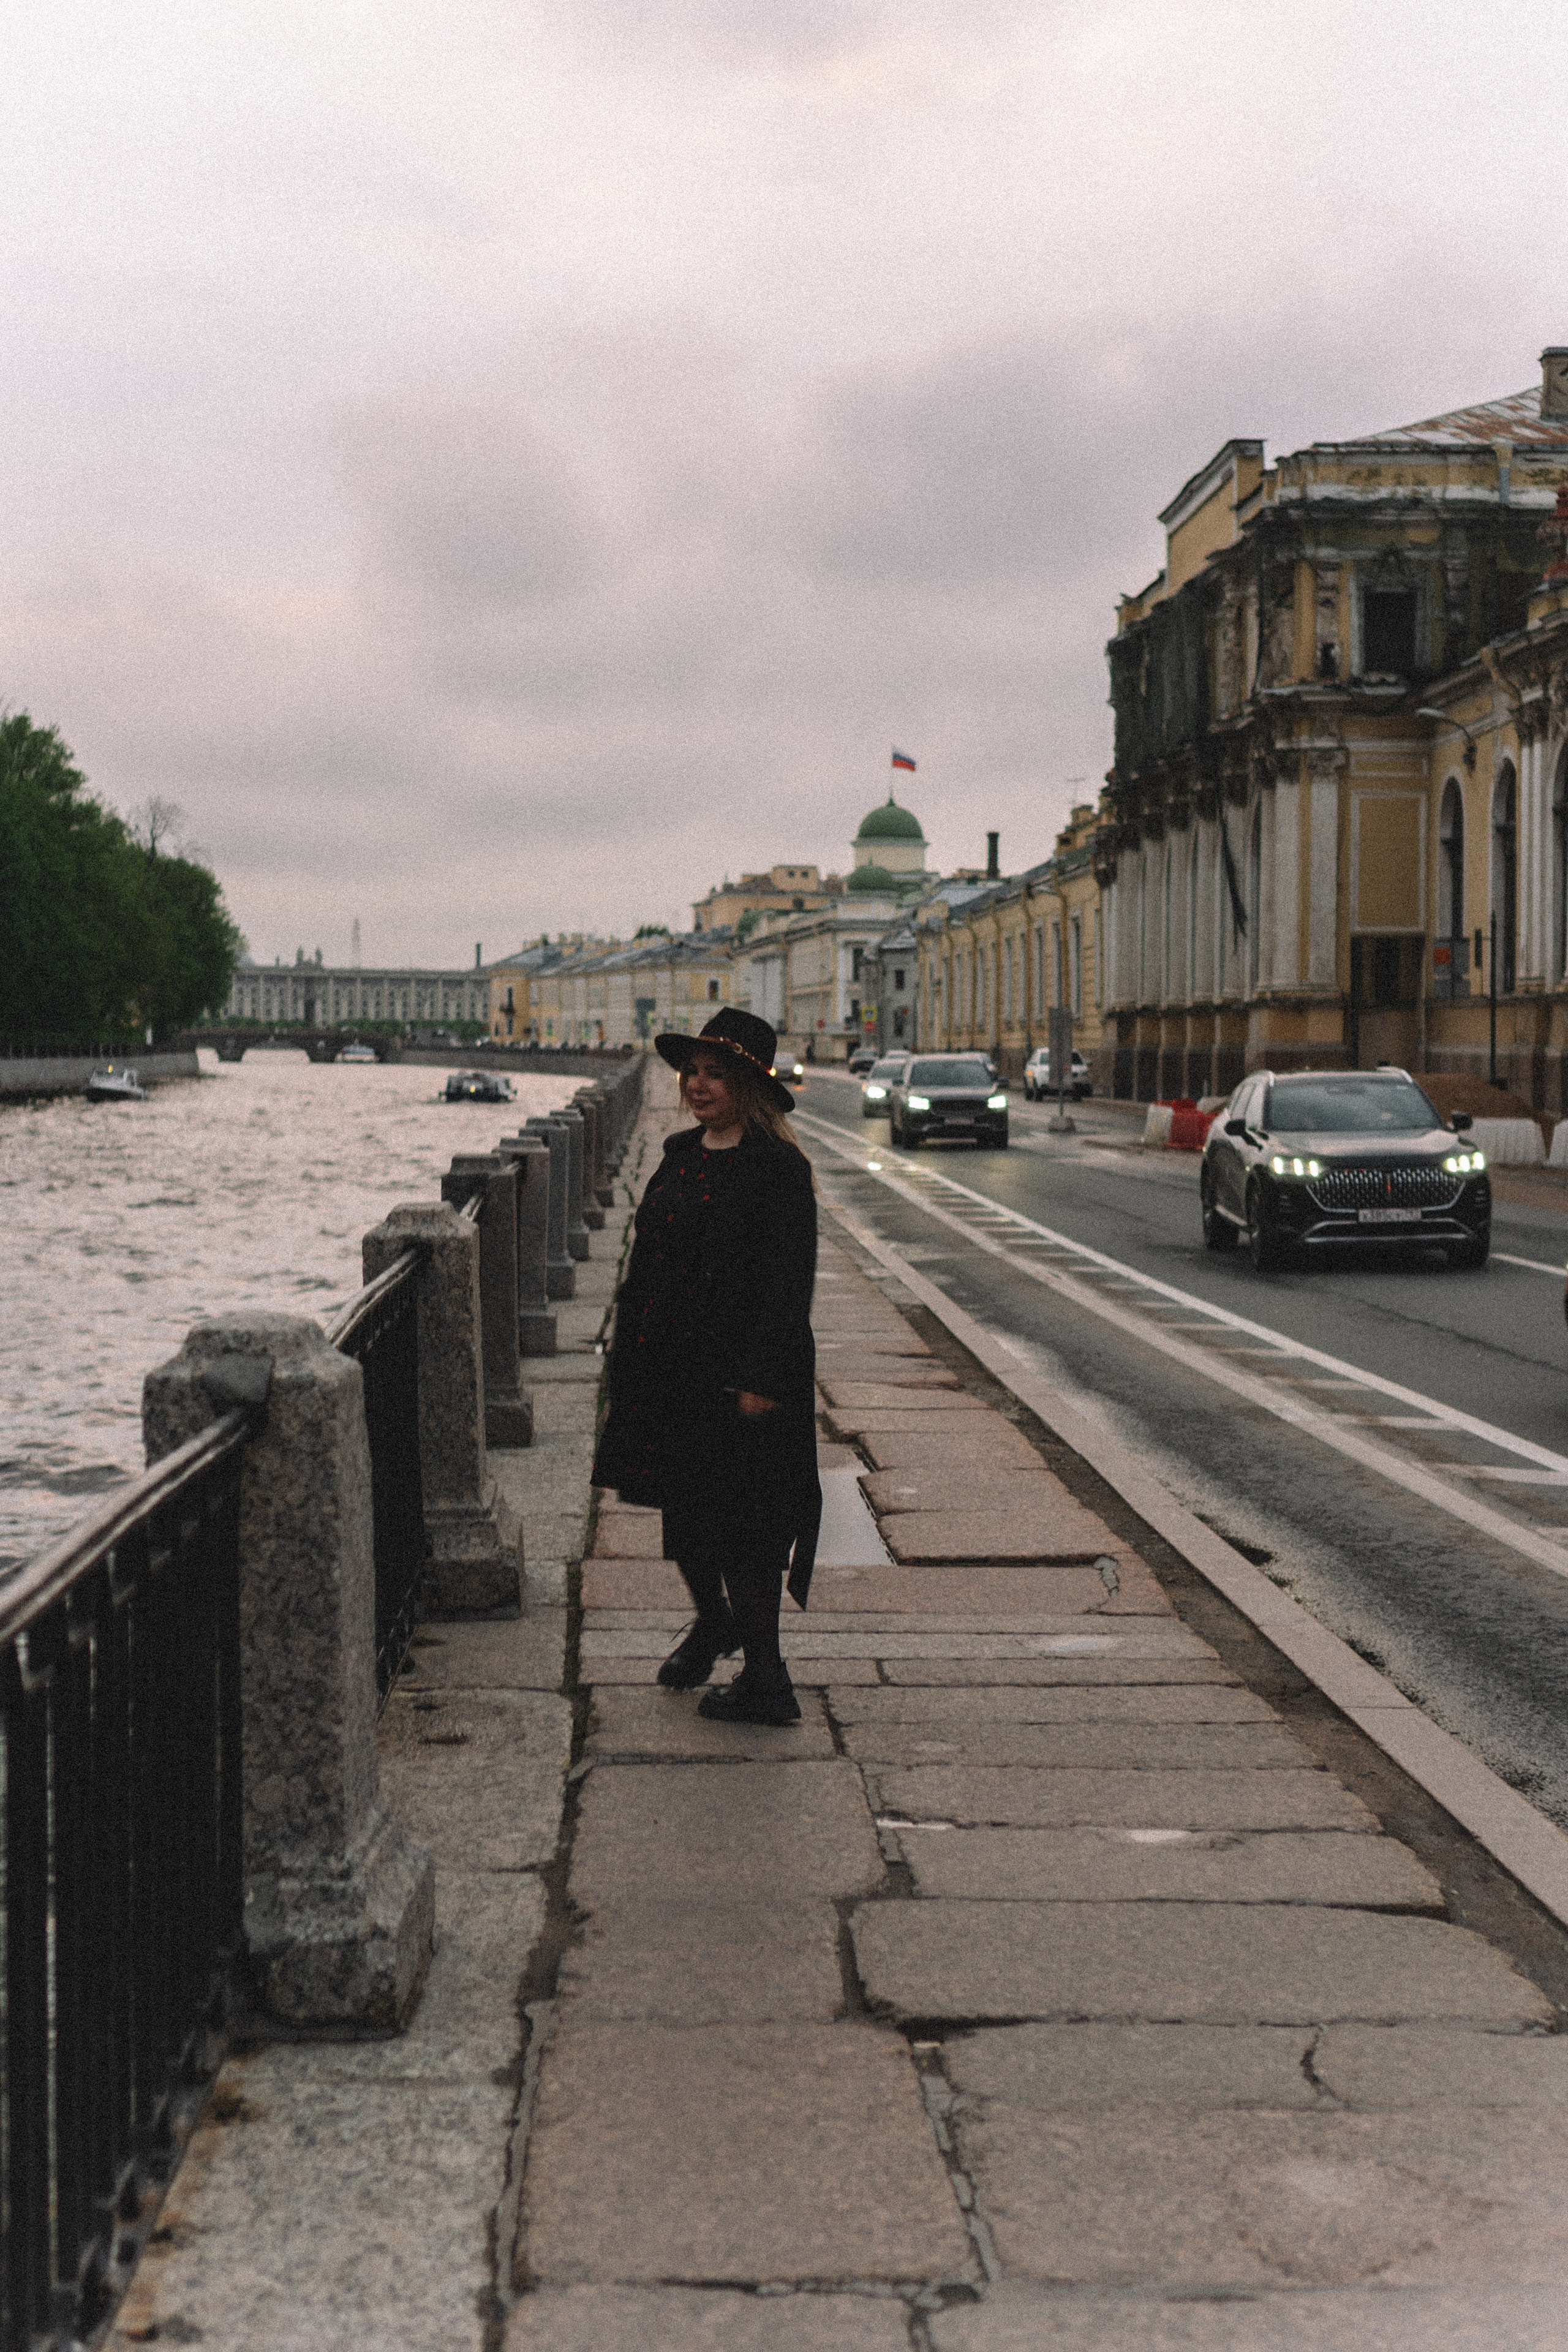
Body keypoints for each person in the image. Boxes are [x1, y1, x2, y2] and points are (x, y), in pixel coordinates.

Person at [591, 1008, 821, 1725]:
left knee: (746, 1527)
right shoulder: (680, 1153)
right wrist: (625, 1351)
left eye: (715, 1074)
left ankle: (767, 1680)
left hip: (741, 1373)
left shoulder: (777, 1168)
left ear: (747, 1085)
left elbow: (789, 1282)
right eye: (691, 1071)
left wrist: (763, 1379)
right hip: (669, 1367)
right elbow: (650, 1254)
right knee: (685, 1510)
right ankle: (715, 1621)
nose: (697, 1084)